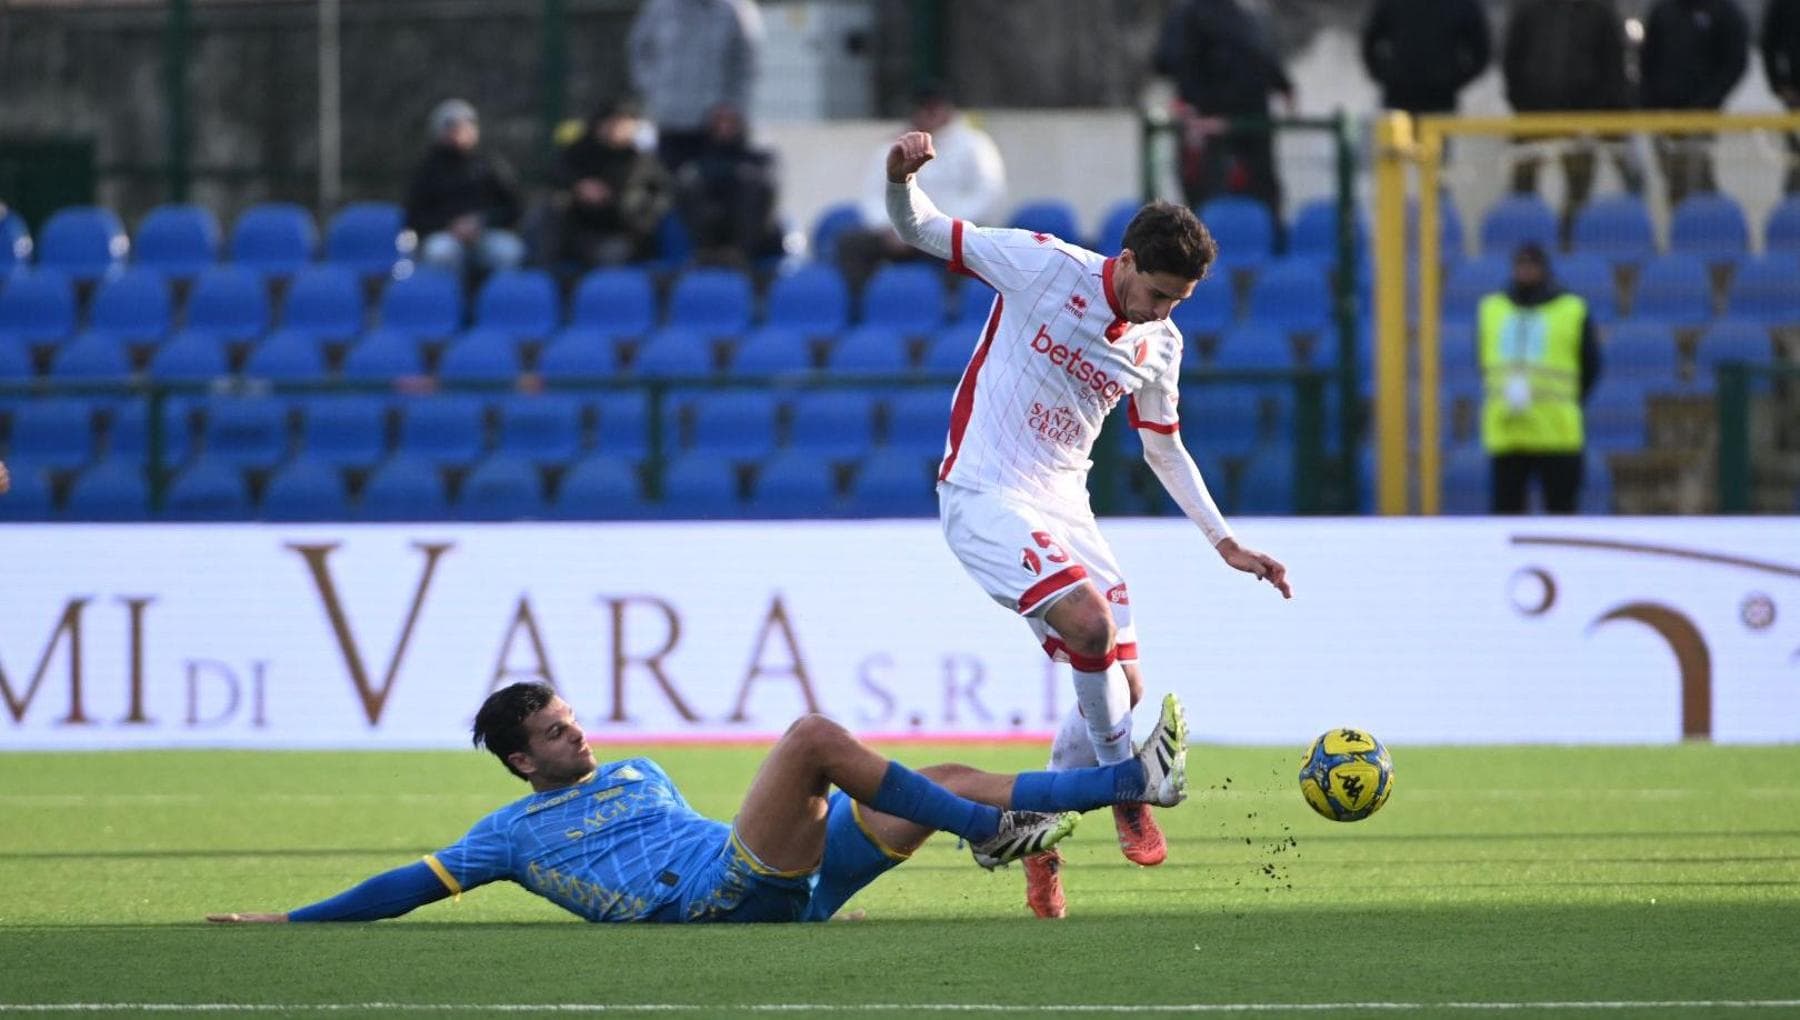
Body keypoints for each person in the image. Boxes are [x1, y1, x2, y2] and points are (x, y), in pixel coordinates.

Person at [882, 131, 1292, 919]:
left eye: (1179, 302)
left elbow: (1163, 448)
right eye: (1158, 293)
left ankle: (1037, 830)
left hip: (1066, 506)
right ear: (1128, 261)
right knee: (1092, 628)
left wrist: (1224, 540)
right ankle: (1127, 786)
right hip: (984, 490)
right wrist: (899, 180)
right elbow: (922, 229)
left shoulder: (1159, 344)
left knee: (1118, 684)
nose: (1162, 311)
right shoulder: (1043, 265)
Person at [207, 682, 1190, 925]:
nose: (578, 737)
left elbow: (689, 825)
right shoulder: (507, 837)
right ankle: (997, 835)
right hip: (721, 900)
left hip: (764, 876)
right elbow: (408, 886)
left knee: (954, 775)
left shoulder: (635, 771)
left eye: (572, 719)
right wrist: (291, 918)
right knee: (811, 739)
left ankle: (1125, 786)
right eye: (554, 735)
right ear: (519, 762)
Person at [837, 84, 1006, 288]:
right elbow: (872, 195)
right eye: (924, 108)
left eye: (936, 108)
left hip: (951, 233)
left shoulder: (975, 145)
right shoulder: (896, 146)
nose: (930, 114)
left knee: (963, 252)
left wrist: (943, 227)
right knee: (850, 243)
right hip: (902, 234)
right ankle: (858, 310)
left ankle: (953, 310)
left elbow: (988, 193)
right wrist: (891, 227)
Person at [1478, 243, 1603, 515]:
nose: (1525, 272)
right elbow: (1485, 362)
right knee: (1506, 516)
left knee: (1561, 514)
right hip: (1508, 431)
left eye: (1531, 266)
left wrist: (1567, 400)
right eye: (1520, 266)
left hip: (1556, 432)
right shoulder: (1492, 309)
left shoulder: (1571, 310)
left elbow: (1591, 367)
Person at [1502, 0, 1640, 238]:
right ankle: (1525, 248)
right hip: (1533, 116)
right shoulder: (1528, 9)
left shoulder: (1599, 11)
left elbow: (1612, 65)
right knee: (1523, 186)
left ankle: (1569, 243)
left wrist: (1594, 109)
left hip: (1583, 117)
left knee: (1578, 189)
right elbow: (1512, 59)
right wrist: (1524, 104)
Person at [1153, 0, 1295, 214]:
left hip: (1234, 128)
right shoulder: (1201, 14)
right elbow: (1169, 60)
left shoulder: (1247, 14)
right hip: (1216, 126)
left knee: (1231, 202)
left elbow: (1168, 60)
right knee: (1215, 203)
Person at [629, 0, 763, 174]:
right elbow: (639, 49)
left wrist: (733, 108)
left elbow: (746, 65)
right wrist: (653, 89)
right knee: (671, 188)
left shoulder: (735, 9)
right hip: (670, 121)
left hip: (717, 125)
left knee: (715, 188)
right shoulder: (660, 7)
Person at [1641, 0, 1750, 206]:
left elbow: (1735, 63)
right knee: (1674, 181)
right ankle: (1680, 231)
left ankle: (1707, 231)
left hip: (1701, 116)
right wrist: (1651, 106)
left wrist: (1706, 104)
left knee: (1697, 178)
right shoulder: (1663, 11)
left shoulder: (1724, 12)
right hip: (1663, 117)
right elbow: (1648, 60)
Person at [404, 99, 525, 277]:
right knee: (440, 252)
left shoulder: (490, 165)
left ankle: (493, 302)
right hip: (444, 236)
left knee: (509, 251)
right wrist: (450, 225)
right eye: (452, 126)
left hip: (484, 235)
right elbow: (414, 216)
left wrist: (482, 221)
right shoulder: (427, 170)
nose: (459, 132)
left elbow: (514, 207)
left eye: (466, 125)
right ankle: (448, 302)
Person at [550, 98, 672, 270]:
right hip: (579, 228)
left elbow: (655, 201)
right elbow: (557, 175)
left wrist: (613, 198)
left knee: (610, 255)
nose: (616, 128)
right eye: (611, 122)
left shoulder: (643, 162)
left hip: (625, 234)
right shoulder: (580, 153)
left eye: (623, 123)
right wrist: (579, 187)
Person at [673, 104, 784, 268]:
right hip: (709, 230)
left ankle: (738, 253)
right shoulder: (696, 162)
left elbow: (767, 198)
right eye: (719, 122)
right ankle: (709, 252)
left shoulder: (757, 160)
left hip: (752, 239)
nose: (724, 128)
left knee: (752, 186)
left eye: (729, 122)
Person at [1361, 0, 1492, 117]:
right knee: (1396, 142)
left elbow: (1481, 50)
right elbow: (1370, 40)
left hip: (1434, 100)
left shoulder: (1462, 4)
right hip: (1402, 99)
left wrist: (1454, 81)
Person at [1765, 0, 1800, 192]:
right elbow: (1769, 42)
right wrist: (1778, 84)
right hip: (1794, 95)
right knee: (1795, 160)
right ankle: (1793, 213)